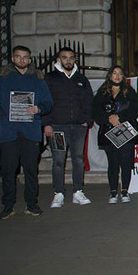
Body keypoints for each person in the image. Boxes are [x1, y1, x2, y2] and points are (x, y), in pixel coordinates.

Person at [0, 45, 54, 218]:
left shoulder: (37, 79)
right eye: (18, 56)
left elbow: (48, 103)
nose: (22, 60)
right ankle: (8, 206)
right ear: (13, 59)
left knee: (31, 171)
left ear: (30, 60)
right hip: (9, 132)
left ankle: (31, 204)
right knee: (8, 171)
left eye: (25, 57)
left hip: (30, 131)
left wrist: (38, 109)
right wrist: (2, 117)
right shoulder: (1, 78)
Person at [42, 46, 93, 208]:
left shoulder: (81, 79)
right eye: (65, 57)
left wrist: (87, 120)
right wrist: (47, 124)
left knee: (78, 159)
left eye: (71, 57)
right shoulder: (50, 78)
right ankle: (58, 193)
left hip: (78, 127)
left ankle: (78, 191)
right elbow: (44, 102)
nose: (68, 60)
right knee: (58, 161)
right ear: (59, 60)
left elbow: (88, 101)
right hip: (57, 126)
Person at [92, 65, 138, 204]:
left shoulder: (129, 92)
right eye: (114, 73)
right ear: (110, 76)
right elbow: (95, 112)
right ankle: (113, 192)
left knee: (126, 163)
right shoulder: (102, 93)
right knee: (113, 164)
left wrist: (119, 117)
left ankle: (125, 191)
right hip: (108, 133)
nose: (117, 76)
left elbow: (135, 109)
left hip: (125, 131)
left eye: (120, 73)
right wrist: (109, 118)